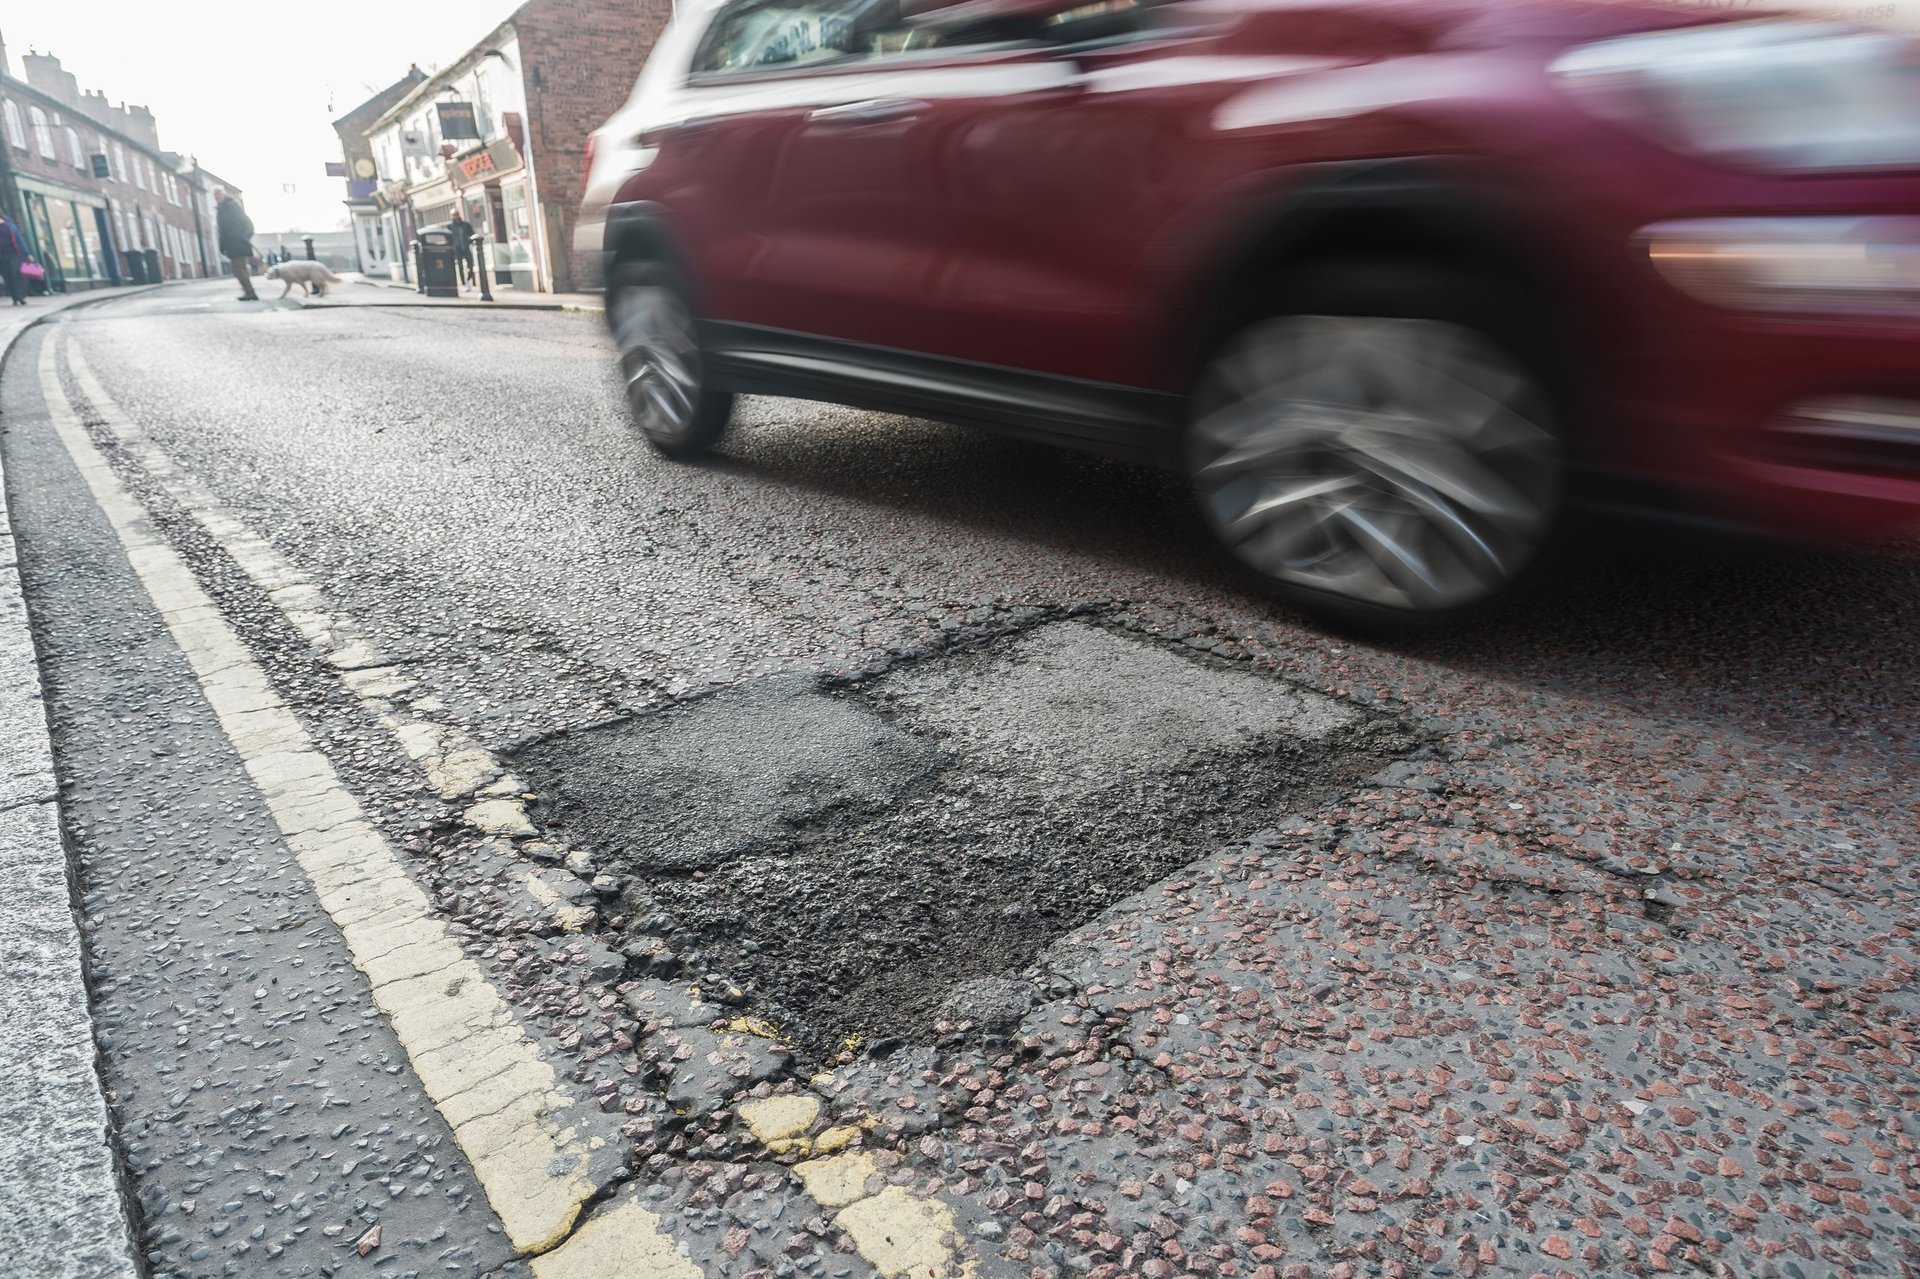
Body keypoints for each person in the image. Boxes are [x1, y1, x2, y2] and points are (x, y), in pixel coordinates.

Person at [214, 187, 258, 302]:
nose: (217, 197)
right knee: (240, 268)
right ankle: (249, 291)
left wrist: (244, 237)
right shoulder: (221, 209)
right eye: (215, 195)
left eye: (218, 195)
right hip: (232, 244)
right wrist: (222, 246)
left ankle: (250, 292)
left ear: (223, 195)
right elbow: (222, 231)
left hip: (238, 243)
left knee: (238, 268)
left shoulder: (231, 207)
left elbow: (247, 223)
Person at [0, 212, 25, 306]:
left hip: (13, 254)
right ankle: (14, 298)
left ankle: (21, 297)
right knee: (7, 277)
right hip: (1, 256)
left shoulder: (9, 224)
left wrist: (26, 253)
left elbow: (19, 238)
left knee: (16, 274)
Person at [448, 210, 475, 287]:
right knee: (460, 267)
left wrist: (470, 242)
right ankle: (464, 283)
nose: (455, 216)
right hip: (457, 249)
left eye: (456, 214)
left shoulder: (466, 225)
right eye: (453, 215)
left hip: (466, 247)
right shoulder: (450, 227)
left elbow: (472, 234)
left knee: (470, 265)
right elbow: (449, 238)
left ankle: (468, 278)